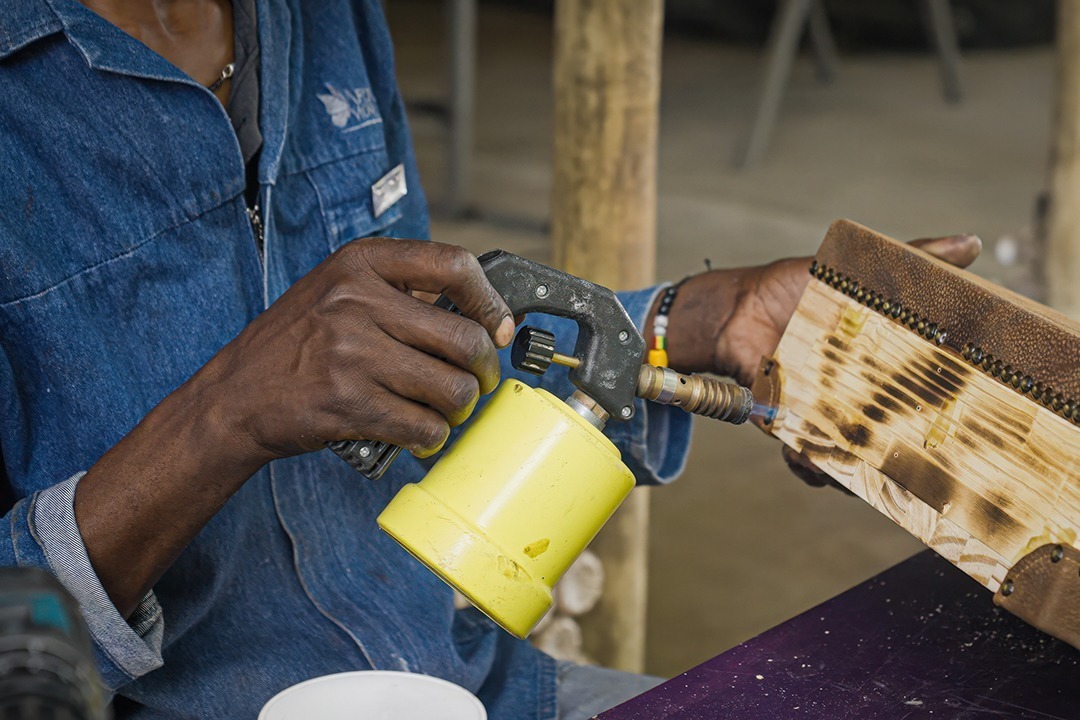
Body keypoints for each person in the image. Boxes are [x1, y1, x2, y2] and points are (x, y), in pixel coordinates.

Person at [0, 0, 980, 718]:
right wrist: (222, 415)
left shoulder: (320, 22)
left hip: (478, 690)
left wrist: (683, 326)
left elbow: (424, 371)